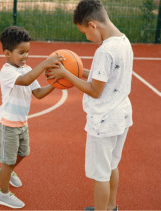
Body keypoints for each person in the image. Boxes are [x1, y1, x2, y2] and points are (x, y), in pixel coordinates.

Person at [48, 0, 133, 210]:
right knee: (112, 166)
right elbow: (101, 79)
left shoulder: (104, 51)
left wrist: (65, 74)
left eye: (85, 32)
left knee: (100, 175)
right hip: (120, 116)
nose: (86, 37)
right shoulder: (123, 41)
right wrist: (73, 71)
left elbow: (95, 91)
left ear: (93, 25)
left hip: (103, 122)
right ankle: (112, 207)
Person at [0, 26, 63, 209]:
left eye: (27, 52)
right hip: (7, 124)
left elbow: (38, 93)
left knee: (23, 153)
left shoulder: (28, 69)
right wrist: (46, 63)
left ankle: (6, 172)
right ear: (7, 53)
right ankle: (3, 194)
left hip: (21, 122)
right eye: (21, 52)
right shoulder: (7, 72)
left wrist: (57, 83)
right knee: (8, 160)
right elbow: (24, 80)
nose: (25, 56)